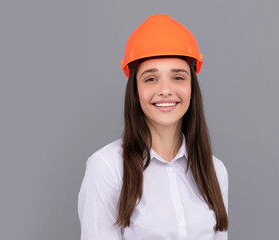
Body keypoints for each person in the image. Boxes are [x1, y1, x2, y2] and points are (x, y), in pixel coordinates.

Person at [77, 14, 229, 240]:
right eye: (151, 79)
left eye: (178, 77)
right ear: (136, 92)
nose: (165, 90)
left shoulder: (215, 171)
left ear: (191, 89)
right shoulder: (107, 169)